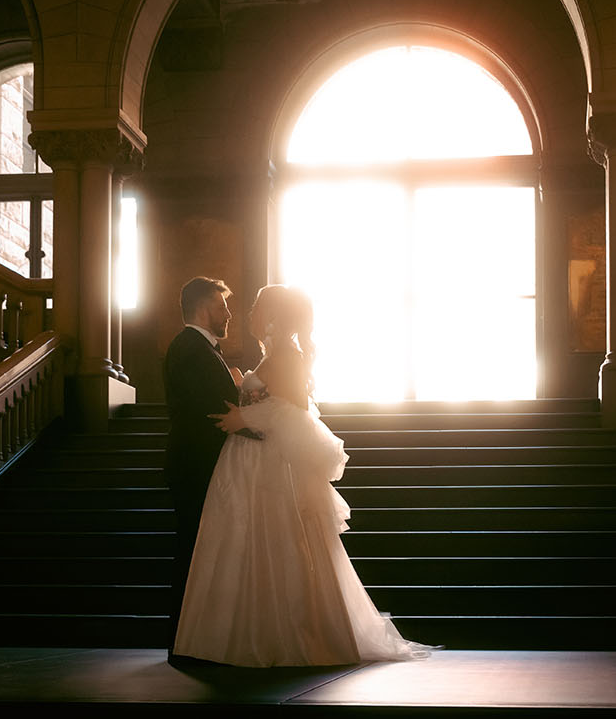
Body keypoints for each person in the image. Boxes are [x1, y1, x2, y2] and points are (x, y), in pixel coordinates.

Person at [172, 284, 439, 667]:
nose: (247, 314)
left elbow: (296, 414)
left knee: (279, 543)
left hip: (270, 464)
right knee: (251, 544)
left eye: (256, 307)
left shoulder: (288, 355)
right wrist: (243, 386)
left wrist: (244, 416)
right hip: (251, 461)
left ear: (274, 316)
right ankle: (253, 632)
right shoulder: (276, 355)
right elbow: (276, 398)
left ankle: (290, 636)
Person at [163, 276, 244, 658]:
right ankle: (186, 640)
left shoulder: (200, 348)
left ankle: (195, 638)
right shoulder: (192, 349)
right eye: (222, 305)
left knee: (198, 549)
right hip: (197, 464)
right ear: (201, 306)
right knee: (194, 550)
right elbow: (213, 411)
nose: (229, 313)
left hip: (199, 463)